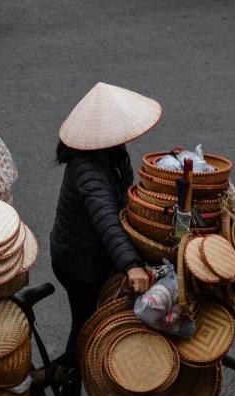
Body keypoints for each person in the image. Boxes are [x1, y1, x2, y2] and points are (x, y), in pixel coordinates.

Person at [49, 82, 160, 372]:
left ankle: (71, 395)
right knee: (88, 332)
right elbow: (107, 218)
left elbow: (123, 197)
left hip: (95, 254)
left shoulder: (111, 152)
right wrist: (132, 265)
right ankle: (47, 382)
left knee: (90, 326)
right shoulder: (87, 168)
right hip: (79, 263)